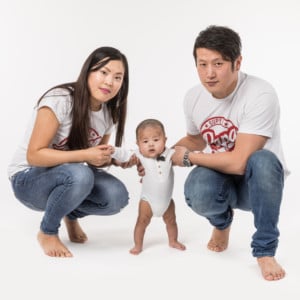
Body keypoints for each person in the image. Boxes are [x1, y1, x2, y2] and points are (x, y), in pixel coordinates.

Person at [171, 25, 289, 281]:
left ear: (237, 62)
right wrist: (163, 153)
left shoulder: (260, 93)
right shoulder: (193, 97)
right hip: (221, 177)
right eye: (202, 64)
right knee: (198, 187)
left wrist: (189, 157)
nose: (209, 73)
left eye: (218, 63)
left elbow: (239, 162)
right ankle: (222, 224)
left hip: (257, 184)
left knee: (263, 159)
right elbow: (195, 138)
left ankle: (265, 251)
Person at [7, 46, 135, 258]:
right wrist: (85, 155)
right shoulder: (60, 99)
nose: (109, 82)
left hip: (67, 177)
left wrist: (114, 160)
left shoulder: (108, 113)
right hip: (27, 179)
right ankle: (47, 231)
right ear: (88, 72)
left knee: (116, 196)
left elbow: (95, 159)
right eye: (103, 72)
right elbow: (34, 155)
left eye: (118, 77)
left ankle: (69, 214)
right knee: (80, 174)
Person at [112, 119, 186, 254]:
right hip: (148, 200)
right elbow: (123, 155)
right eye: (145, 141)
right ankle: (138, 245)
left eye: (156, 140)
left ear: (165, 140)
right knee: (142, 222)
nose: (151, 144)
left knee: (171, 221)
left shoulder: (170, 154)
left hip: (167, 201)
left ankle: (173, 241)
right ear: (138, 144)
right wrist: (113, 152)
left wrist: (196, 156)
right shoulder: (138, 155)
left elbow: (184, 155)